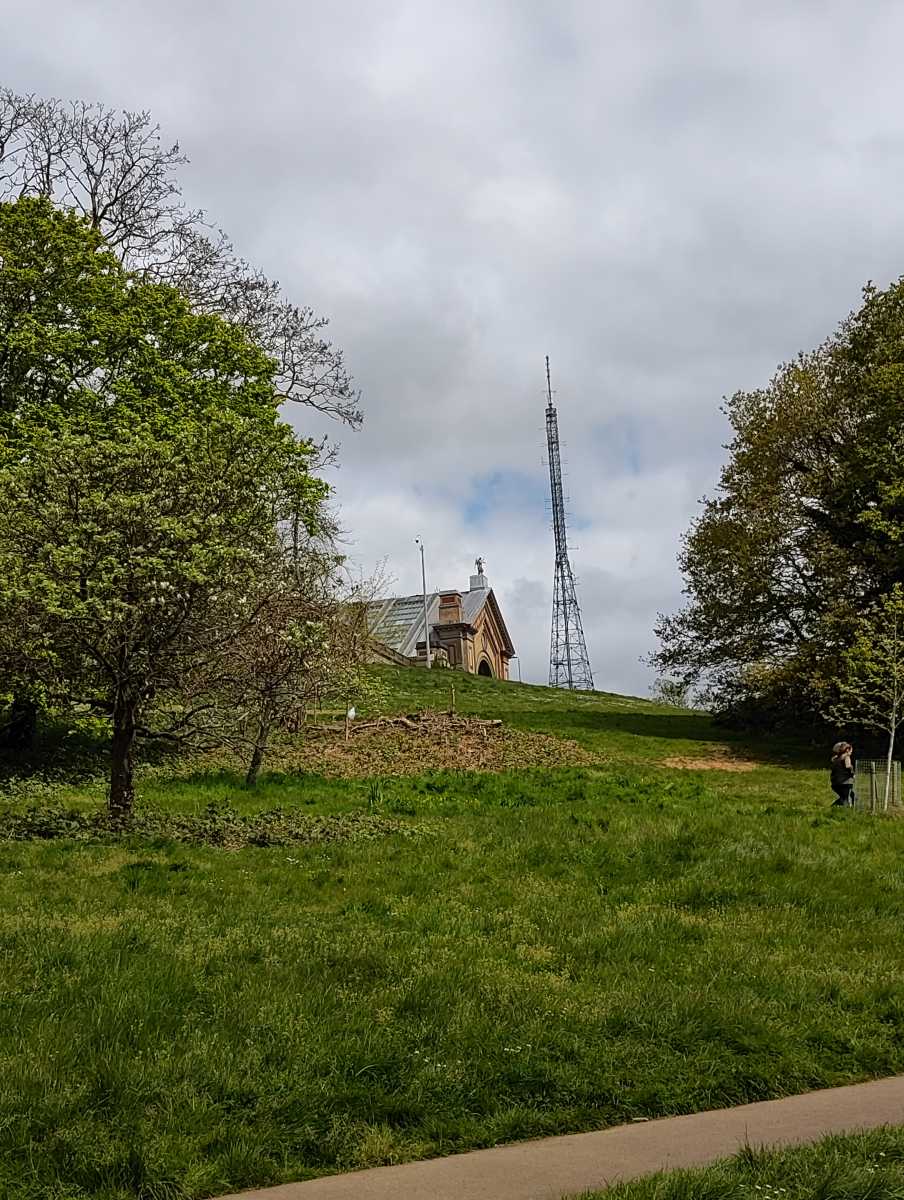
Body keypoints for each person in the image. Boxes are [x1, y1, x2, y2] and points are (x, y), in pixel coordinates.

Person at [830, 741, 856, 807]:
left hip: (835, 783)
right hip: (845, 782)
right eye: (851, 751)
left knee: (844, 798)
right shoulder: (846, 757)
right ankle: (847, 811)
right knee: (850, 798)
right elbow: (848, 766)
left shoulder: (836, 759)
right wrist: (853, 773)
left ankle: (833, 807)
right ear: (847, 750)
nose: (851, 753)